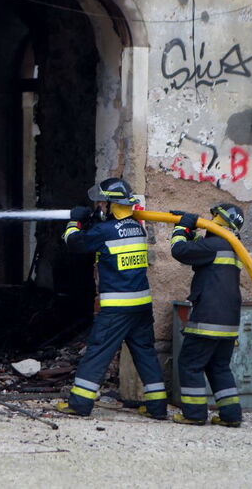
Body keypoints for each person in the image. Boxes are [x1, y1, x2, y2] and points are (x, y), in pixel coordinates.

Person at [55, 178, 167, 420]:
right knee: (145, 354)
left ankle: (80, 404)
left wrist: (75, 222)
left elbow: (73, 243)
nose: (100, 207)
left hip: (117, 309)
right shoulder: (138, 227)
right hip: (141, 307)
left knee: (97, 352)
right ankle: (158, 407)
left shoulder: (103, 231)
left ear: (110, 205)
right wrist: (94, 220)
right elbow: (112, 233)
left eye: (103, 203)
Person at [169, 203, 245, 427]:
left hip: (208, 319)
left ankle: (194, 414)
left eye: (212, 218)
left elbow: (179, 251)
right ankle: (231, 415)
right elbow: (199, 252)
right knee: (219, 366)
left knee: (190, 363)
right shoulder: (233, 246)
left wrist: (181, 228)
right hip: (229, 321)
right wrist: (192, 230)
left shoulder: (213, 245)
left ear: (219, 220)